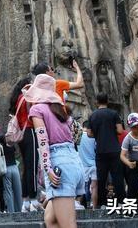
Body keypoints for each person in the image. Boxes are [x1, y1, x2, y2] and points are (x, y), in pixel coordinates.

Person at [25, 72, 85, 228]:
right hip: (74, 162)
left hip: (58, 164)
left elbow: (43, 140)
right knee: (51, 219)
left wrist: (47, 167)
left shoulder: (37, 110)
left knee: (68, 224)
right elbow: (75, 136)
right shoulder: (60, 110)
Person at [9, 77, 42, 212]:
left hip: (22, 136)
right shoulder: (28, 98)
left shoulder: (18, 98)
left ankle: (26, 202)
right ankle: (34, 199)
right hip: (30, 132)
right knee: (32, 167)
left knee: (26, 168)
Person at [87, 92, 125, 207]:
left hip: (100, 150)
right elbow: (120, 131)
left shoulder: (92, 115)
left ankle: (102, 203)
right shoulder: (114, 114)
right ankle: (121, 202)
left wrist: (99, 135)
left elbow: (89, 134)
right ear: (107, 101)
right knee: (118, 177)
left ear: (96, 102)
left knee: (101, 178)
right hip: (114, 149)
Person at [0, 135, 22, 213]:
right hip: (15, 168)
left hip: (6, 169)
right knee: (18, 190)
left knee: (8, 191)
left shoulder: (0, 148)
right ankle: (19, 209)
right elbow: (15, 153)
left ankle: (11, 211)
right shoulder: (12, 146)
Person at [78, 121, 97, 208]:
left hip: (83, 165)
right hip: (94, 164)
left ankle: (80, 204)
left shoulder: (79, 136)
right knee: (94, 186)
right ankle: (94, 206)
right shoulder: (94, 137)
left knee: (82, 186)